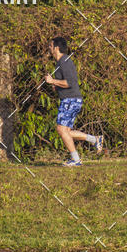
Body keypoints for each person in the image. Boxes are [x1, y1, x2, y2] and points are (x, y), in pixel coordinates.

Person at [44, 36, 103, 166]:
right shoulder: (60, 63)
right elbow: (65, 82)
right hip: (70, 99)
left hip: (70, 100)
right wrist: (57, 85)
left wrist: (52, 81)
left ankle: (76, 160)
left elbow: (69, 82)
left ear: (56, 48)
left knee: (61, 129)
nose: (49, 48)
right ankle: (94, 140)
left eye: (50, 46)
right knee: (66, 131)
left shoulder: (64, 61)